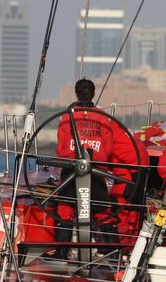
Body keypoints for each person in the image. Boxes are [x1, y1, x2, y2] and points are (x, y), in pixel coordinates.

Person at [54, 79, 147, 249]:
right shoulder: (104, 118)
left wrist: (75, 156)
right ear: (94, 94)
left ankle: (61, 252)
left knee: (64, 206)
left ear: (76, 93)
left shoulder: (67, 117)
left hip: (73, 170)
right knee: (103, 209)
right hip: (97, 171)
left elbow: (61, 150)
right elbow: (107, 149)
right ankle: (111, 251)